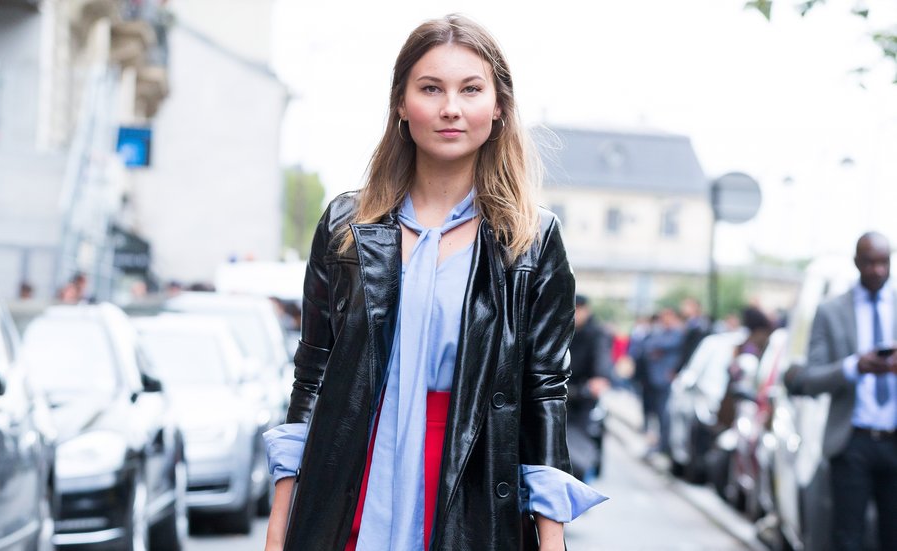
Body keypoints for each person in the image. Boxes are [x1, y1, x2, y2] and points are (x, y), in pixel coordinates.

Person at [262, 14, 605, 551]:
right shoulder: (346, 227)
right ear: (401, 104)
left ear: (498, 107)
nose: (450, 107)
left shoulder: (531, 240)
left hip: (471, 490)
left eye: (471, 89)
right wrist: (279, 529)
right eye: (430, 88)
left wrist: (551, 541)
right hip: (350, 480)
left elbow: (544, 394)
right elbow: (313, 377)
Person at [786, 232, 897, 551]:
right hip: (852, 441)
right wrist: (854, 367)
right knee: (847, 538)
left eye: (883, 262)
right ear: (857, 263)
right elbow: (809, 378)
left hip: (894, 440)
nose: (877, 270)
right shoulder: (831, 311)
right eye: (869, 262)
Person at [566, 294, 613, 480]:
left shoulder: (597, 334)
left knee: (581, 444)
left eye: (579, 309)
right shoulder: (560, 328)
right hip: (556, 393)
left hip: (582, 398)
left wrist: (598, 380)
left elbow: (601, 366)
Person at [642, 307, 685, 454]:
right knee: (657, 414)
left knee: (664, 413)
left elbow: (664, 344)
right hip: (655, 378)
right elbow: (648, 345)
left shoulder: (677, 333)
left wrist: (658, 347)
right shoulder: (660, 332)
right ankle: (659, 443)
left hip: (666, 379)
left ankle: (664, 445)